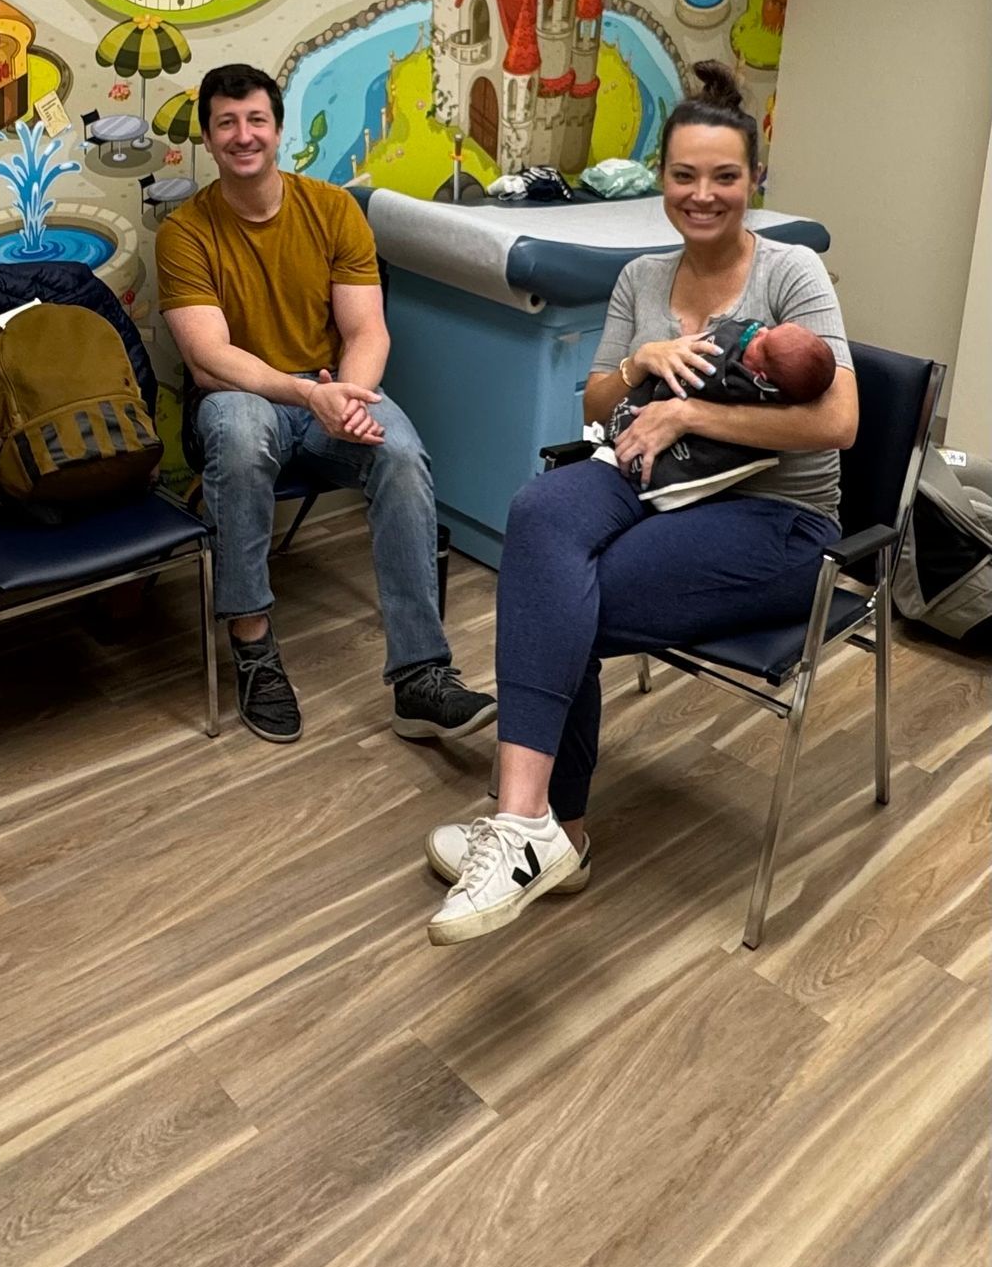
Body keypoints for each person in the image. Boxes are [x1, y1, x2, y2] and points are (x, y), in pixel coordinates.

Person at [427, 62, 856, 946]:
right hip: (658, 480)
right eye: (685, 175)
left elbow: (840, 419)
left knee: (565, 599)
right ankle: (529, 827)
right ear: (661, 178)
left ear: (754, 182)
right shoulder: (640, 280)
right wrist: (641, 366)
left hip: (777, 519)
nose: (704, 195)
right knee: (540, 515)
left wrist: (691, 407)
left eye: (725, 177)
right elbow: (593, 402)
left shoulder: (792, 272)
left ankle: (557, 829)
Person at [157, 63, 493, 745]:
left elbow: (366, 330)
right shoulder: (184, 232)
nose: (243, 135)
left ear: (278, 130)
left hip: (330, 389)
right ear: (209, 138)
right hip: (239, 398)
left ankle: (421, 678)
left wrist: (351, 396)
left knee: (398, 452)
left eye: (256, 119)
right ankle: (253, 645)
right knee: (242, 433)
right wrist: (312, 392)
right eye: (226, 122)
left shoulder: (334, 208)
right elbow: (208, 357)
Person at [598, 317, 838, 506]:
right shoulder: (638, 273)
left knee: (631, 559)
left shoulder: (793, 270)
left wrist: (685, 414)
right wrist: (639, 360)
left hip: (762, 500)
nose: (761, 332)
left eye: (762, 345)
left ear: (762, 378)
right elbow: (593, 410)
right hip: (613, 462)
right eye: (771, 330)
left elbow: (838, 426)